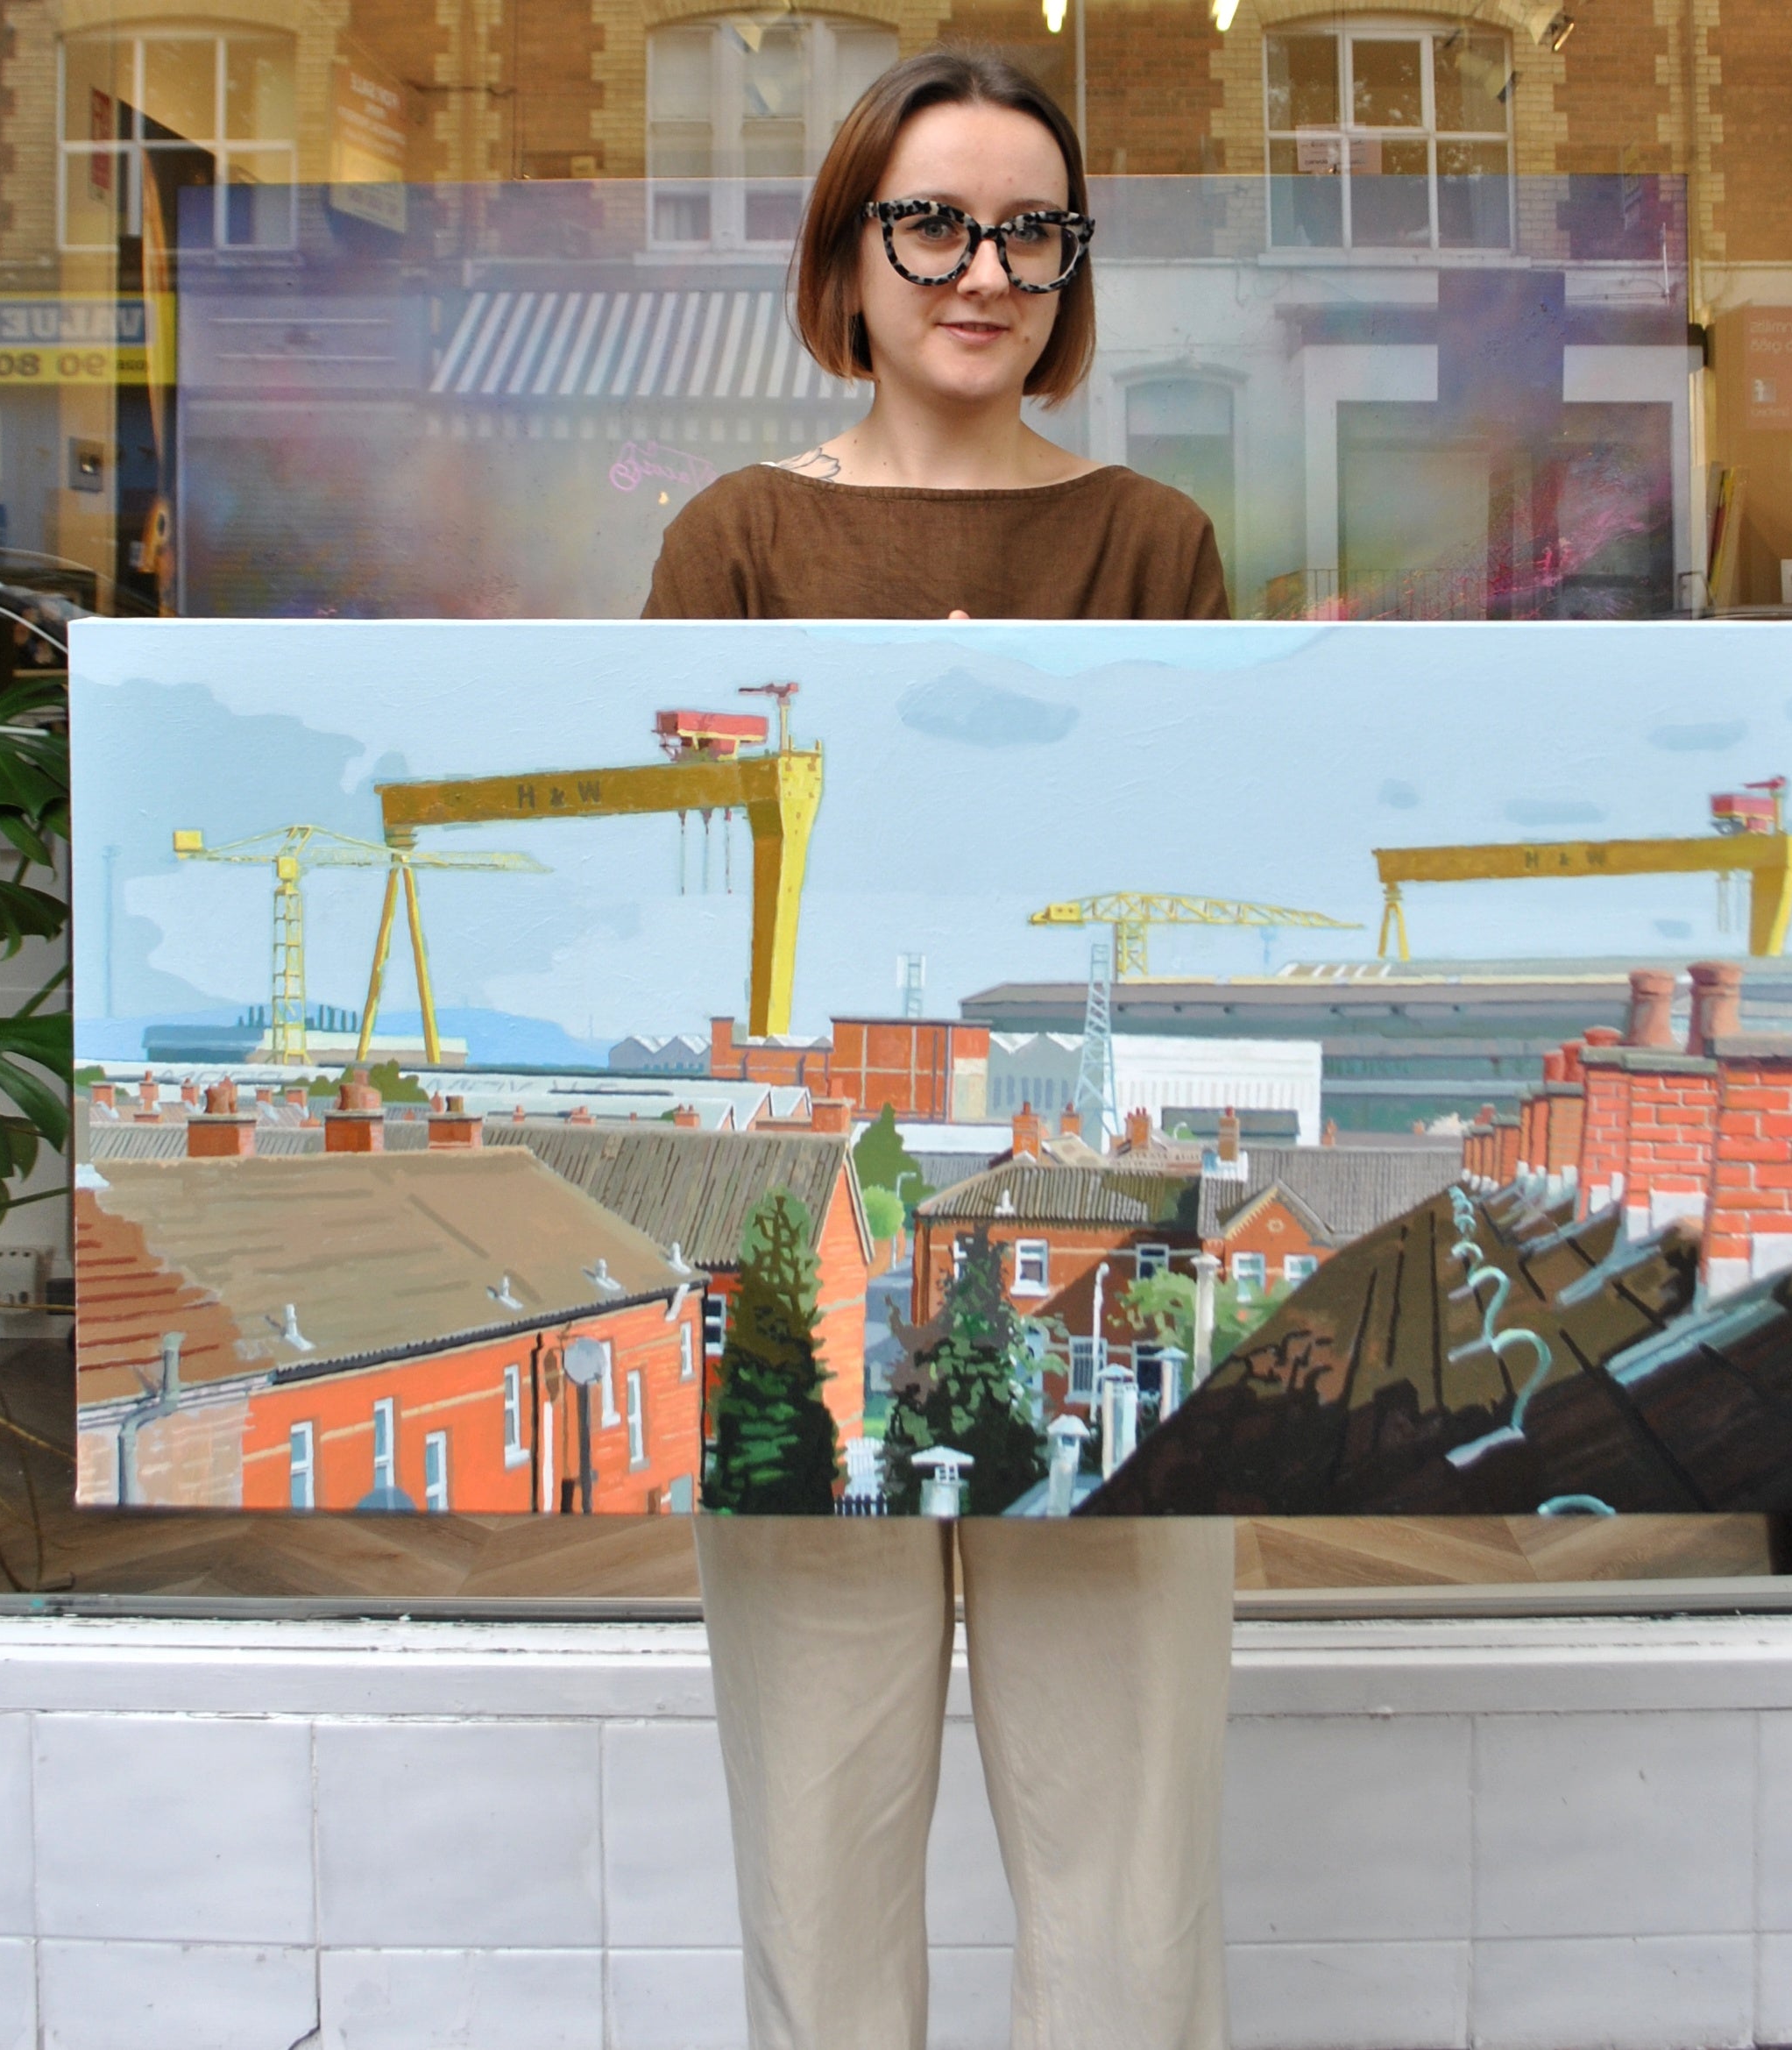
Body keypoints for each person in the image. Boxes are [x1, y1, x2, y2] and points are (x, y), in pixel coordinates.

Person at [643, 47, 1236, 2050]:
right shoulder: (731, 540)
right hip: (803, 1250)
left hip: (1101, 1241)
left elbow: (1198, 872)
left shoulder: (1155, 543)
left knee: (1131, 1861)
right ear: (852, 251)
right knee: (815, 1846)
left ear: (1071, 268)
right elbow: (678, 915)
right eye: (934, 221)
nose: (984, 269)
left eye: (1032, 229)